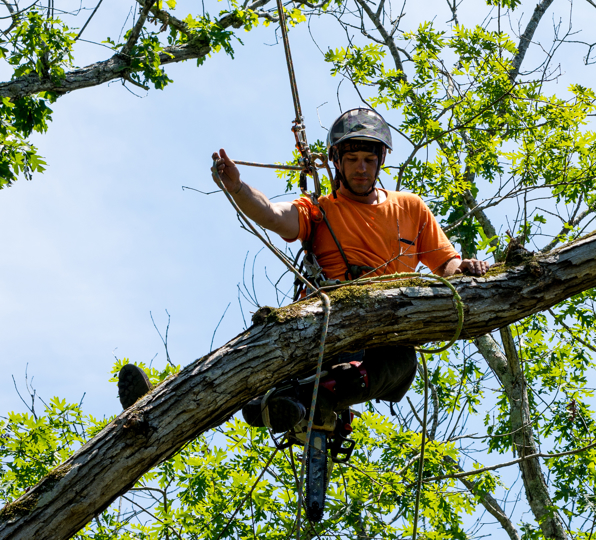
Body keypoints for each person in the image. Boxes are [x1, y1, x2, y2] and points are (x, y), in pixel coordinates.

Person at [118, 108, 489, 436]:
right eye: (353, 159)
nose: (361, 168)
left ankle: (307, 400)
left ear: (380, 162)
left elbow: (446, 263)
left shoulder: (410, 208)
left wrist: (466, 267)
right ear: (337, 163)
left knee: (401, 361)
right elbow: (272, 215)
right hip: (324, 320)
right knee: (243, 365)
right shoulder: (320, 210)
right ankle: (159, 407)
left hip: (386, 326)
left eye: (368, 160)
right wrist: (238, 188)